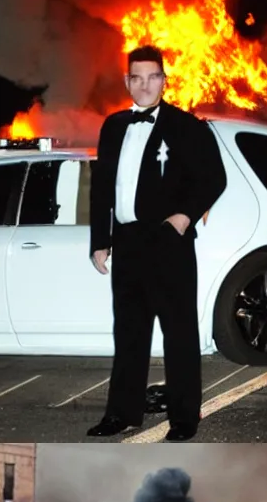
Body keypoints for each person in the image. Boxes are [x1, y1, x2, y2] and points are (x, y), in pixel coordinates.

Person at [87, 46, 227, 441]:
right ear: (127, 81)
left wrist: (183, 218)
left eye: (153, 77)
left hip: (169, 244)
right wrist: (101, 240)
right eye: (137, 77)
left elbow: (213, 177)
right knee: (128, 333)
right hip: (128, 242)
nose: (145, 85)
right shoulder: (113, 127)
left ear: (165, 81)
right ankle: (122, 414)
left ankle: (184, 420)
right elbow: (101, 189)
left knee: (179, 334)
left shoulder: (186, 127)